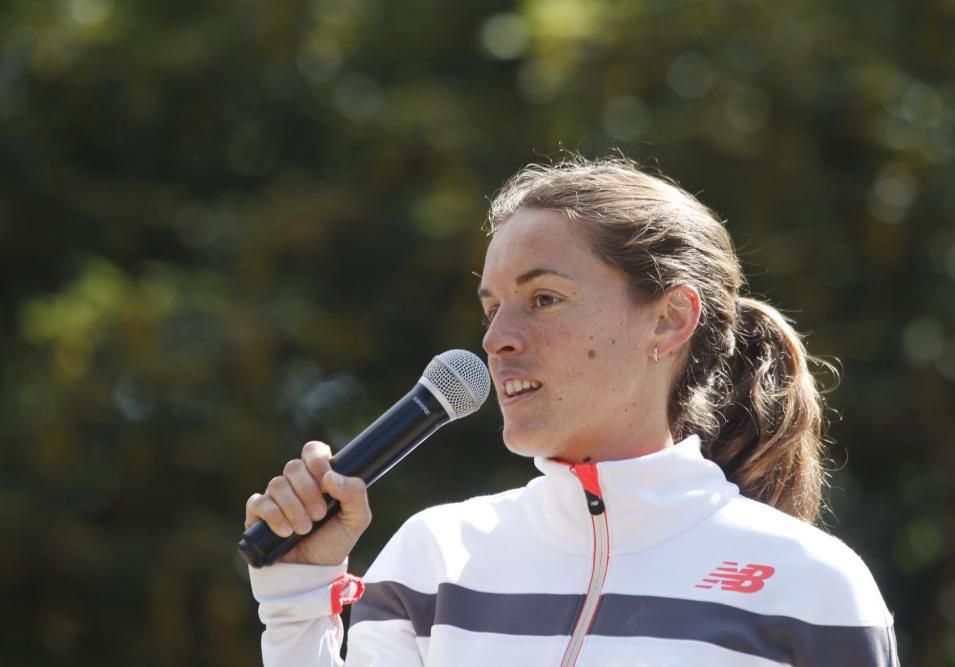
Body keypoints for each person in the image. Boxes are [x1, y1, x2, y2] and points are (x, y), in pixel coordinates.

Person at [244, 157, 899, 666]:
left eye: (544, 299)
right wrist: (299, 598)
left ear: (669, 320)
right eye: (491, 306)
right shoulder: (433, 560)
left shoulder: (813, 586)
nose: (497, 336)